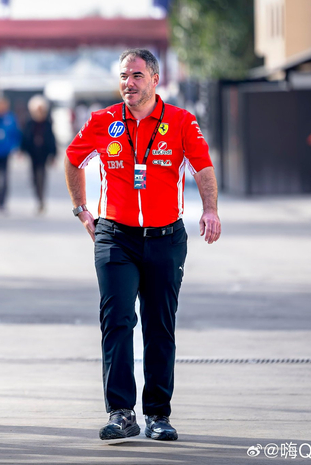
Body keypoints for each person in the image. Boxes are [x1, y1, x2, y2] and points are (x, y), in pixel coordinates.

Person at [64, 49, 221, 442]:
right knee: (117, 321)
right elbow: (73, 159)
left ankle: (157, 414)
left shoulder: (181, 121)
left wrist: (210, 210)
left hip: (165, 238)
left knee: (159, 325)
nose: (128, 83)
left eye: (136, 75)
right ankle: (121, 412)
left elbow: (203, 167)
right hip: (115, 237)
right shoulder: (103, 121)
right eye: (123, 76)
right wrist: (81, 208)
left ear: (154, 79)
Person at [20, 95, 57, 214]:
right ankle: (38, 196)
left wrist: (53, 154)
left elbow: (52, 140)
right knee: (34, 177)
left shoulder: (47, 123)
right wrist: (22, 150)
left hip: (43, 154)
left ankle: (41, 199)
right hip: (33, 154)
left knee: (41, 176)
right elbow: (25, 137)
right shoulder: (29, 123)